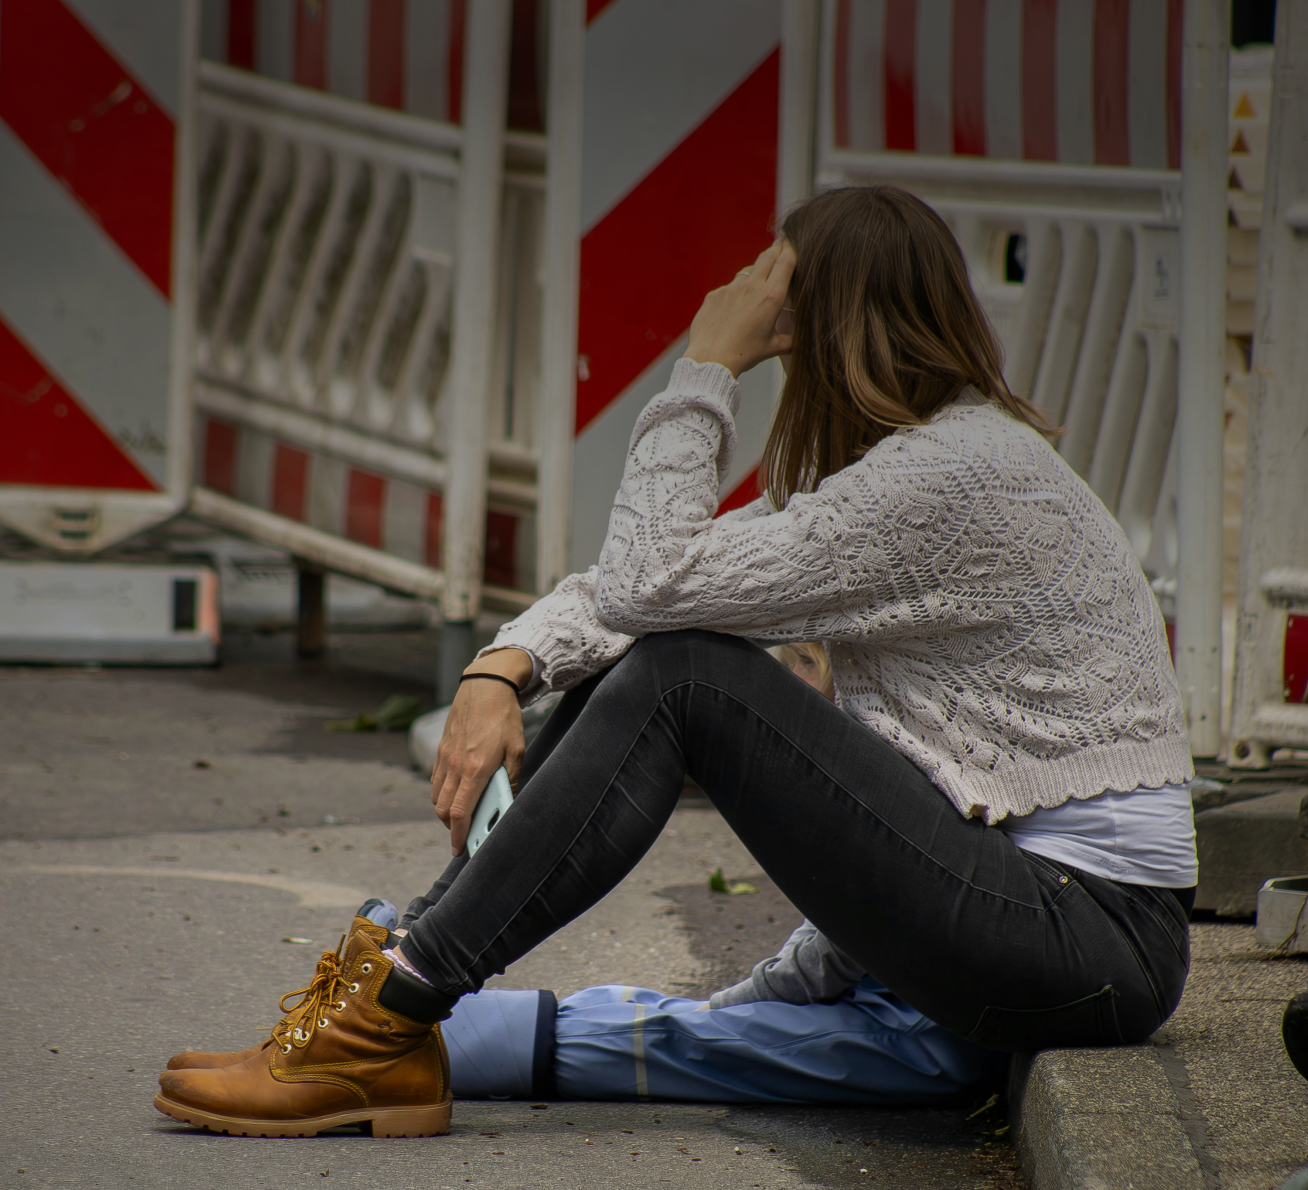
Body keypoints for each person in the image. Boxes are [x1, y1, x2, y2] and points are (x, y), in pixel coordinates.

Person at [155, 185, 1196, 1139]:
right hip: (1058, 923)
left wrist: (705, 366)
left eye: (786, 341)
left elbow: (655, 584)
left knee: (688, 676)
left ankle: (393, 1007)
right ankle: (389, 998)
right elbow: (643, 595)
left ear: (833, 336)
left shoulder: (952, 479)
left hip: (1090, 939)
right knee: (671, 659)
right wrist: (503, 663)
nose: (779, 366)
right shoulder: (923, 468)